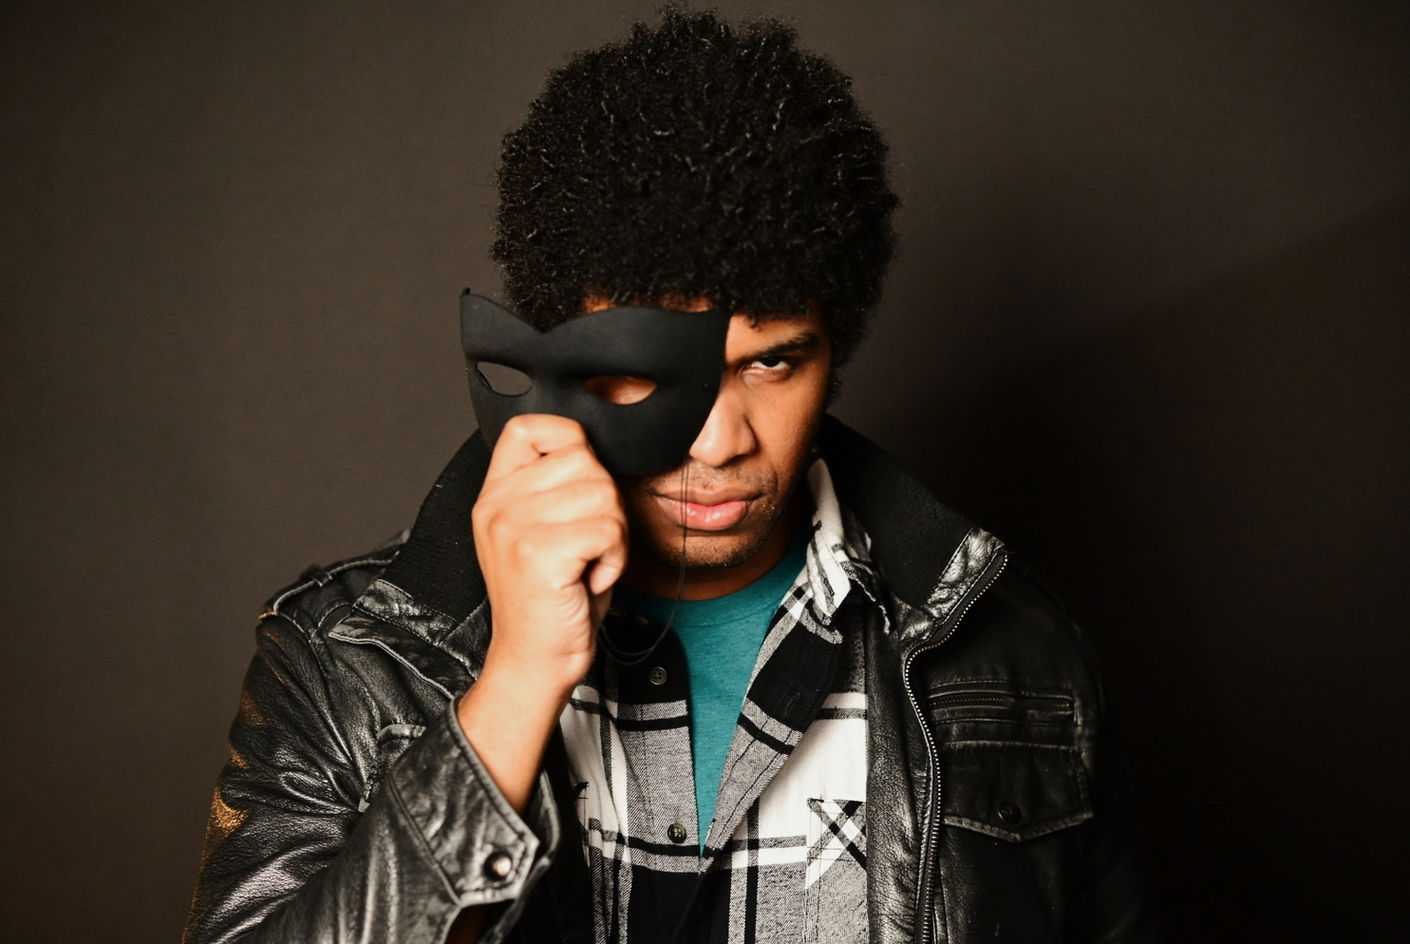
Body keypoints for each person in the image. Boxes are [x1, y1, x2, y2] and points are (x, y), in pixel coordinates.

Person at [185, 10, 1156, 944]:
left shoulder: (1015, 657)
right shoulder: (350, 659)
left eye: (771, 362)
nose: (720, 440)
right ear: (559, 351)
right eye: (653, 372)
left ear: (832, 348)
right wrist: (515, 686)